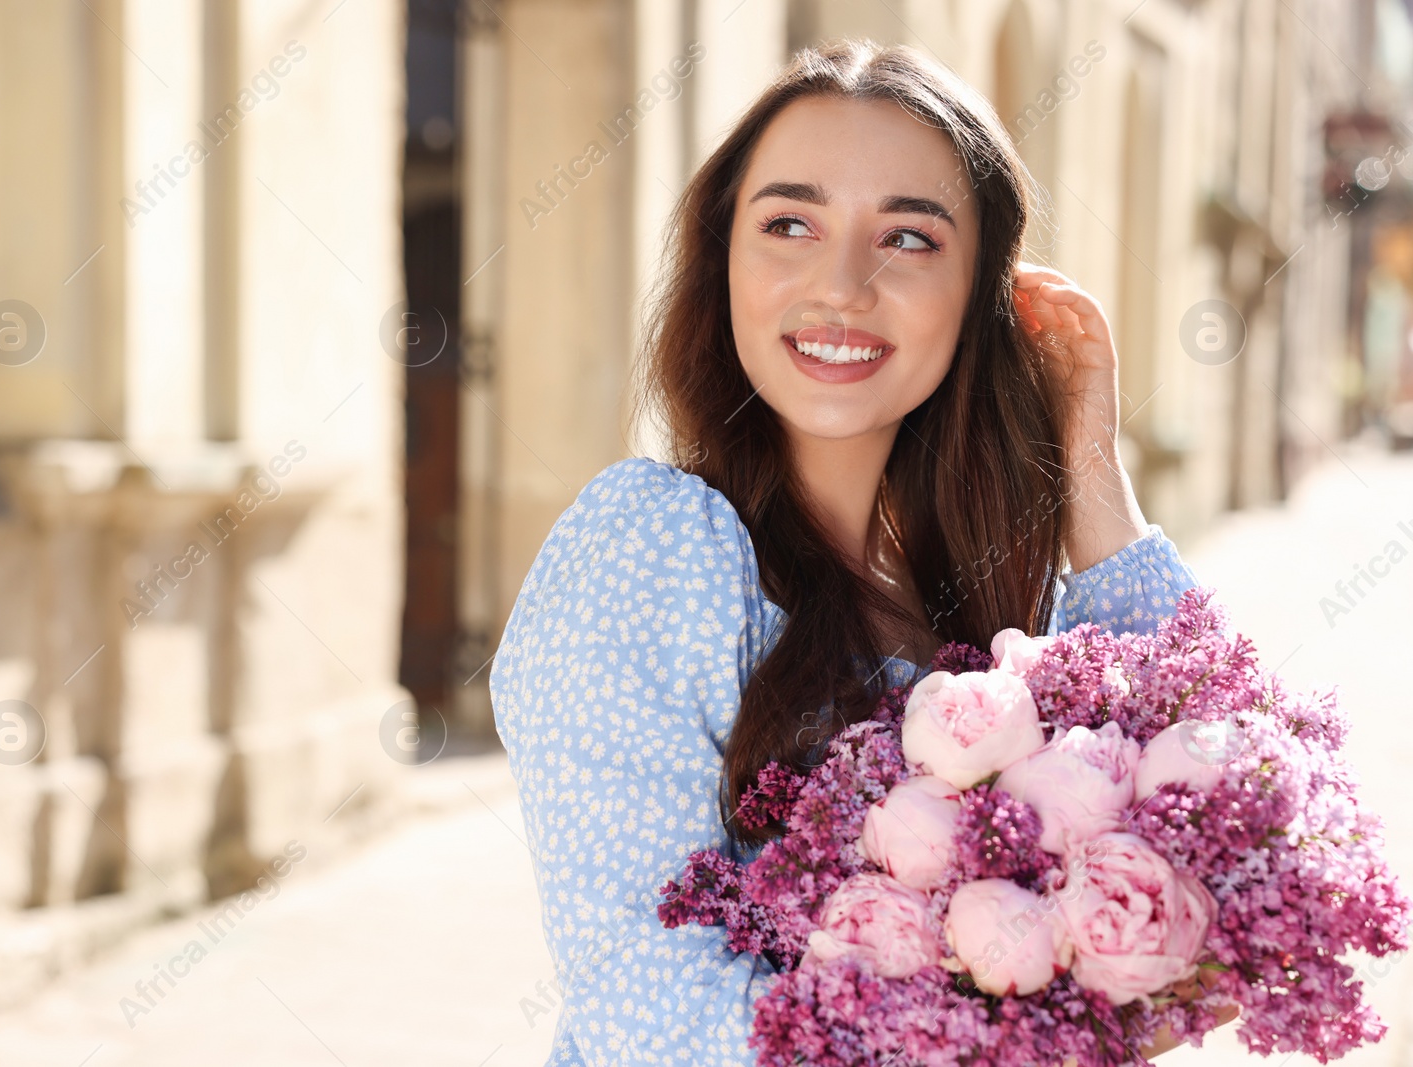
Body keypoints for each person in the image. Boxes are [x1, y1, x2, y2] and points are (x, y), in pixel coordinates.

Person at [490, 41, 1223, 1065]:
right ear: (723, 260)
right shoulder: (654, 547)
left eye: (908, 239)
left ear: (981, 297)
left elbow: (1220, 824)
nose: (839, 285)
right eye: (788, 223)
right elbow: (649, 1010)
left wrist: (1090, 470)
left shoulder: (994, 597)